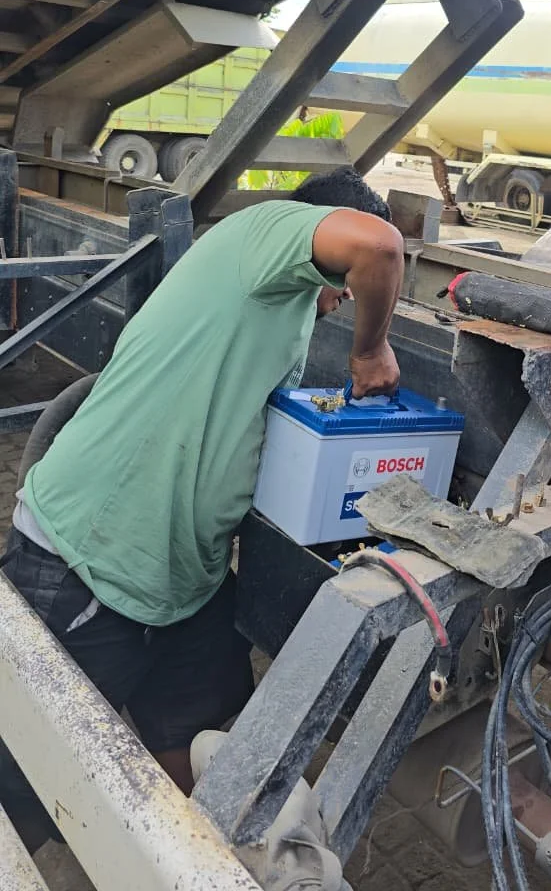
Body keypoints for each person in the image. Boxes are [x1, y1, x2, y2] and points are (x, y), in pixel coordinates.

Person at [1, 166, 404, 851]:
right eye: (342, 285)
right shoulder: (262, 232)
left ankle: (191, 862)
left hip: (186, 580)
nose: (343, 299)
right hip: (89, 561)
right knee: (27, 790)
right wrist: (372, 350)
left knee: (208, 749)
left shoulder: (279, 303)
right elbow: (380, 246)